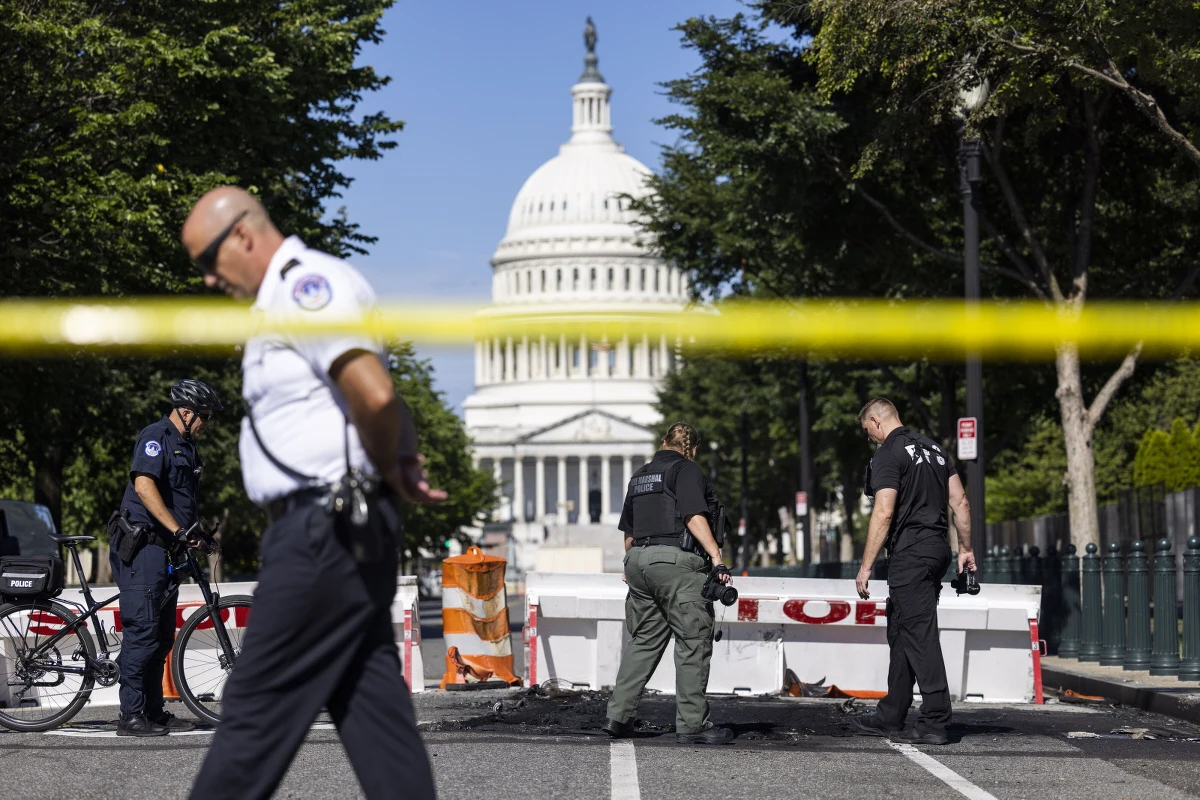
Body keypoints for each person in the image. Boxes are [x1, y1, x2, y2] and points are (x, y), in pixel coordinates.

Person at [181, 187, 442, 800]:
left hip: (321, 531)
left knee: (252, 714)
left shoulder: (306, 288)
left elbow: (373, 394)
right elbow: (384, 396)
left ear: (242, 235)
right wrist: (397, 460)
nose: (209, 280)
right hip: (342, 530)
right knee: (373, 715)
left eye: (207, 261)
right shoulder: (286, 300)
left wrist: (387, 465)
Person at [852, 398, 975, 745]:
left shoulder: (889, 454)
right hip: (937, 549)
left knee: (919, 632)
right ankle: (891, 714)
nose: (871, 439)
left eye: (868, 432)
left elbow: (884, 511)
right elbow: (961, 502)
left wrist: (865, 566)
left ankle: (936, 719)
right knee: (903, 630)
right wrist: (966, 548)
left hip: (910, 553)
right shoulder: (935, 449)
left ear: (876, 421)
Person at [603, 422, 735, 745]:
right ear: (692, 448)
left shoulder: (640, 475)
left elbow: (629, 532)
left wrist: (633, 565)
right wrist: (716, 558)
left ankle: (618, 717)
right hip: (676, 562)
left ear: (663, 442)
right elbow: (693, 516)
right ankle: (692, 725)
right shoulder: (686, 470)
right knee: (693, 637)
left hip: (638, 561)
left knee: (645, 639)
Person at [111, 378, 222, 737]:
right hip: (143, 548)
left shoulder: (187, 447)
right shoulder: (156, 437)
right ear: (186, 412)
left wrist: (198, 535)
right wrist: (177, 530)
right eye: (205, 416)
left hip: (166, 552)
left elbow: (181, 501)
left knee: (161, 636)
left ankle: (155, 711)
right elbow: (144, 486)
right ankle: (130, 716)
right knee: (142, 632)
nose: (208, 422)